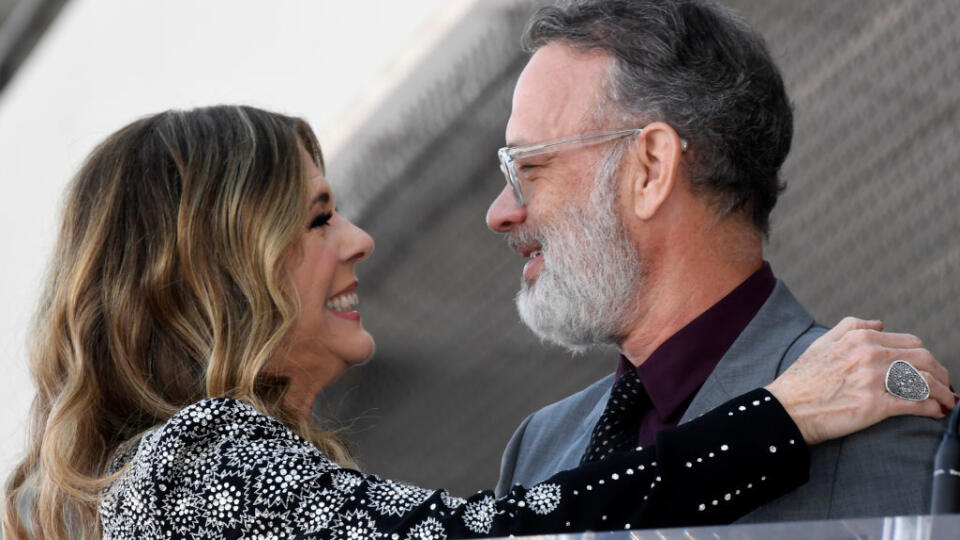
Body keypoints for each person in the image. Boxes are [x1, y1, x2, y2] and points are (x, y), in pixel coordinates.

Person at [1, 106, 951, 540]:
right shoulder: (192, 467)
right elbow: (498, 539)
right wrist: (783, 417)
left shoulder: (141, 490)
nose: (361, 241)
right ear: (223, 270)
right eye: (320, 217)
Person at [487, 0, 953, 521]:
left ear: (651, 169)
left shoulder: (883, 412)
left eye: (528, 165)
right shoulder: (539, 447)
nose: (500, 212)